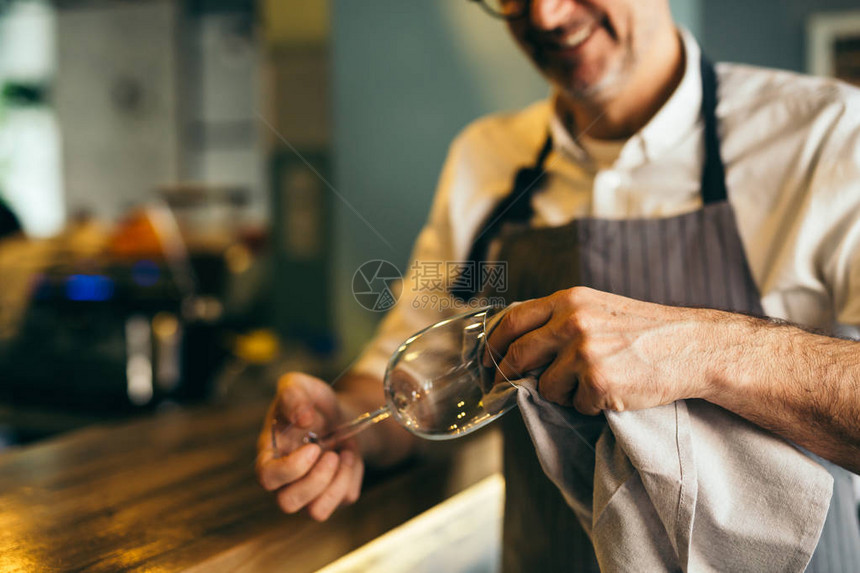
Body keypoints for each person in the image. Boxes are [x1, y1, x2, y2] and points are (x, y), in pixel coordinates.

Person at [256, 0, 860, 570]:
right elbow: (420, 360)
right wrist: (347, 421)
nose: (543, 15)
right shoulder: (484, 158)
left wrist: (694, 347)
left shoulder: (828, 135)